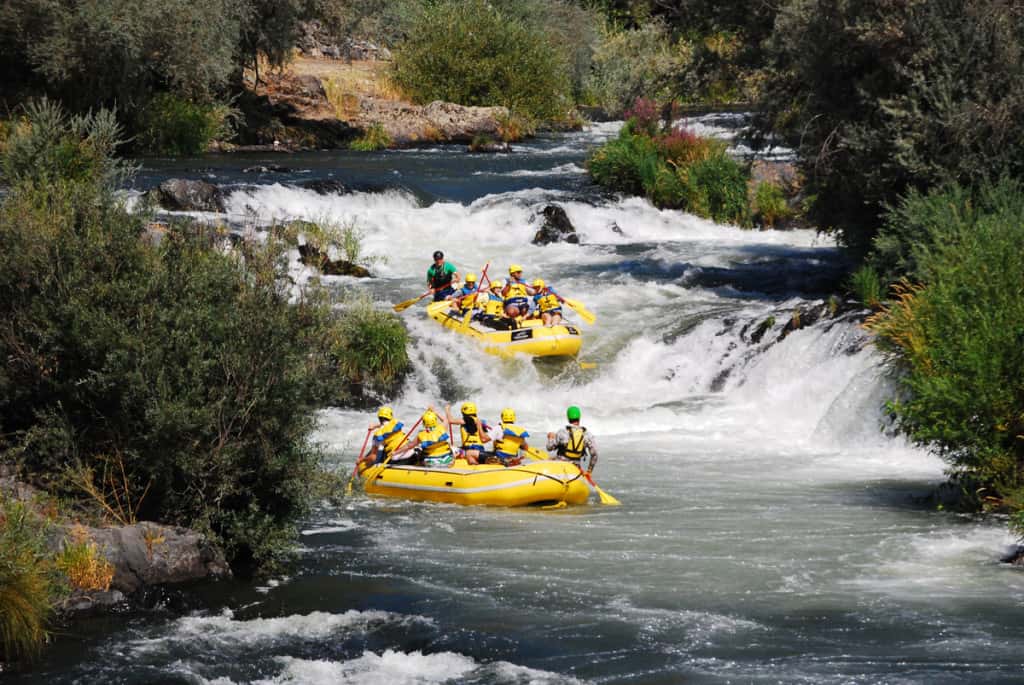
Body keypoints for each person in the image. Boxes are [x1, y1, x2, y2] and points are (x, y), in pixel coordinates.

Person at [546, 405, 598, 473]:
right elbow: (595, 455)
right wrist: (589, 471)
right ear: (579, 418)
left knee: (549, 459)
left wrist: (550, 437)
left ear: (568, 418)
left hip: (560, 465)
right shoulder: (587, 434)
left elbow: (549, 448)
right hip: (575, 468)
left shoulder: (562, 432)